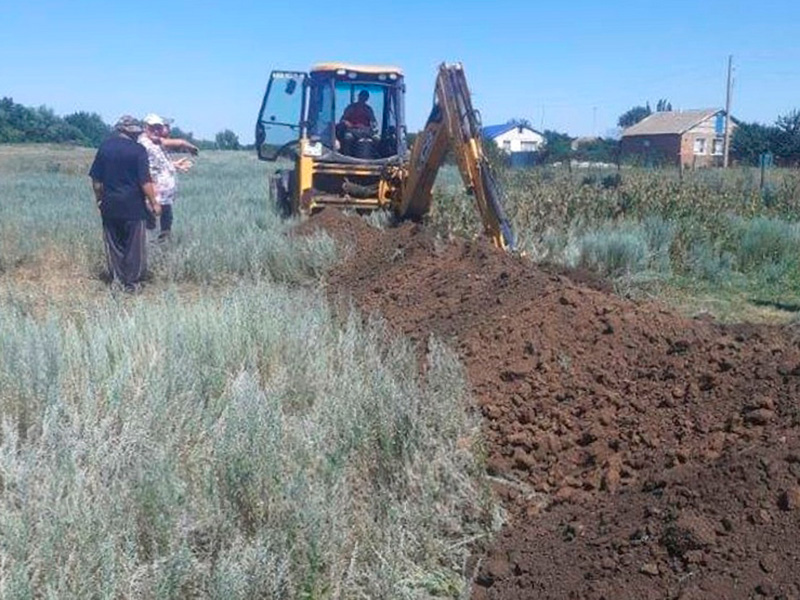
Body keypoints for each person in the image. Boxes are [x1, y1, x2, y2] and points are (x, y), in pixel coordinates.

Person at [89, 115, 160, 292]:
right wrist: (154, 203)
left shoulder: (104, 148)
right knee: (134, 248)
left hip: (110, 206)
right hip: (133, 207)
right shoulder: (138, 150)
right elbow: (145, 181)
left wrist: (99, 199)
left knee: (114, 246)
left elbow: (96, 181)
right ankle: (132, 284)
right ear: (132, 131)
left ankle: (117, 281)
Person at [138, 113, 195, 241]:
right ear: (145, 127)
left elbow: (158, 164)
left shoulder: (155, 142)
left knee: (165, 222)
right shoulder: (144, 142)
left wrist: (174, 165)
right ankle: (150, 249)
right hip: (154, 195)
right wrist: (187, 145)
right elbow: (147, 168)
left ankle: (163, 244)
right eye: (153, 127)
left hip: (164, 197)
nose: (157, 130)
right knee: (151, 225)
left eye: (159, 127)